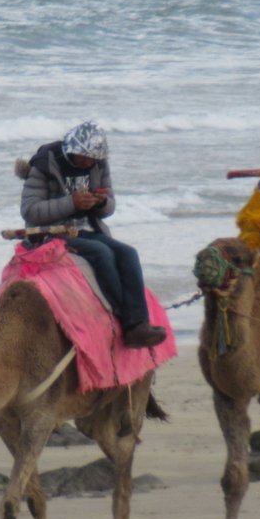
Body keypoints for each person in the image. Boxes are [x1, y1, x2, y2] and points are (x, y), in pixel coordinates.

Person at [18, 120, 167, 349]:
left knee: (128, 253)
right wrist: (71, 203)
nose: (88, 163)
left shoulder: (98, 165)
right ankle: (123, 318)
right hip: (52, 232)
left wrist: (101, 202)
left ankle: (139, 323)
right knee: (101, 253)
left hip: (87, 229)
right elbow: (30, 211)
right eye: (83, 158)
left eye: (92, 159)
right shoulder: (45, 164)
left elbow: (110, 207)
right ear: (71, 150)